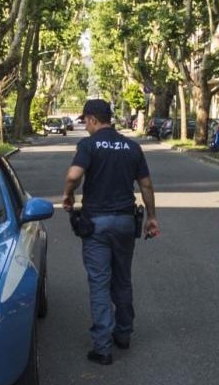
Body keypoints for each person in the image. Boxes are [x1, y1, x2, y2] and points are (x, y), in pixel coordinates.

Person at [61, 98, 160, 365]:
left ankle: (103, 347)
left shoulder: (89, 145)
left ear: (93, 119)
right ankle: (124, 333)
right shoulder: (131, 146)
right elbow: (146, 185)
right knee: (122, 278)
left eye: (86, 122)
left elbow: (73, 175)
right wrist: (151, 217)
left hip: (97, 224)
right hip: (126, 222)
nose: (86, 127)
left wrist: (68, 195)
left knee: (99, 282)